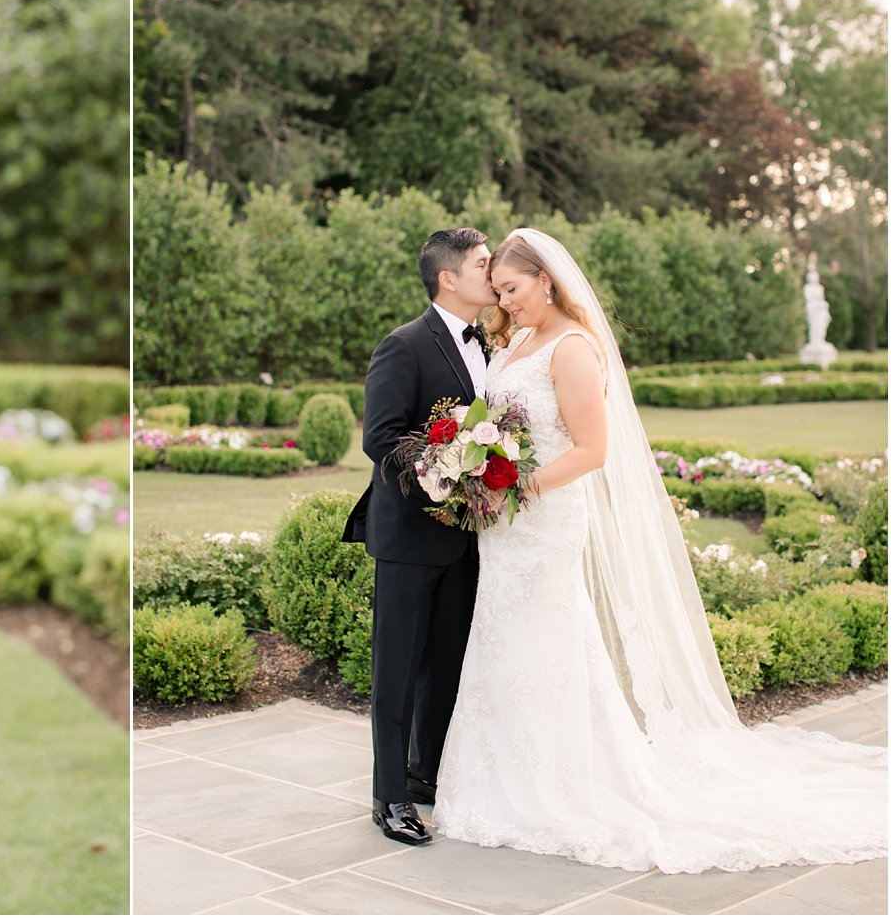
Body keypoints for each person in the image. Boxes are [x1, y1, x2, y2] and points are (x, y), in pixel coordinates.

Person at [433, 228, 886, 872]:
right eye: (498, 292)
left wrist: (520, 482)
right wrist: (475, 465)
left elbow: (594, 450)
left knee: (549, 640)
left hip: (547, 519)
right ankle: (499, 777)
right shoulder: (519, 342)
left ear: (548, 281)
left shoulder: (573, 349)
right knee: (504, 638)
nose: (504, 304)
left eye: (512, 290)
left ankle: (565, 783)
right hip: (505, 528)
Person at [347, 227, 499, 845]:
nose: (493, 274)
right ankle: (388, 799)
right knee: (398, 671)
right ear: (448, 278)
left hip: (468, 536)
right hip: (410, 537)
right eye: (484, 264)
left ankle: (426, 776)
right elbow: (380, 439)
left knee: (447, 666)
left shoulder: (487, 342)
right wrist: (447, 469)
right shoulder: (403, 346)